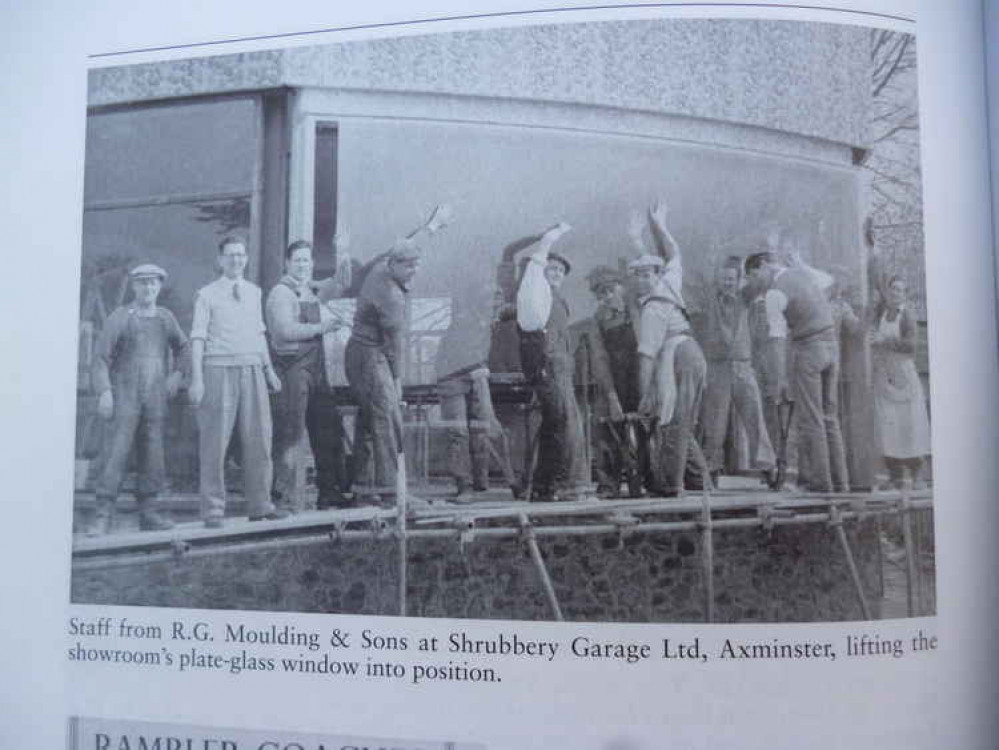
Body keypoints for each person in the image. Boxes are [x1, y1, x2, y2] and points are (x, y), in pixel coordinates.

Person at [346, 206, 452, 504]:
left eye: (416, 266)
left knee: (370, 420)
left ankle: (363, 489)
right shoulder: (390, 295)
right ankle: (392, 491)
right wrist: (397, 380)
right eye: (408, 267)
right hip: (370, 356)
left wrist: (431, 228)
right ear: (394, 265)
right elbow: (396, 345)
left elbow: (406, 242)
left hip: (362, 354)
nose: (413, 272)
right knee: (387, 417)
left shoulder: (383, 264)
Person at [189, 234, 284, 528]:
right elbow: (198, 338)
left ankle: (260, 504)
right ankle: (213, 509)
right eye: (230, 255)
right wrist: (197, 379)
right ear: (220, 260)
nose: (236, 260)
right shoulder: (206, 294)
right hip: (218, 370)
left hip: (252, 368)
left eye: (241, 255)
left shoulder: (254, 292)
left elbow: (259, 334)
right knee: (215, 442)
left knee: (260, 439)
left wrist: (269, 370)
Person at [88, 263, 188, 535]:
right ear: (134, 286)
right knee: (115, 453)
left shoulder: (166, 318)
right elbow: (99, 359)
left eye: (153, 283)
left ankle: (150, 512)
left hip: (155, 398)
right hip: (125, 396)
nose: (148, 288)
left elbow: (184, 348)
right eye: (143, 283)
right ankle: (102, 513)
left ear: (159, 286)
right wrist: (105, 391)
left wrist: (178, 374)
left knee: (153, 454)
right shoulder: (120, 317)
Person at [744, 247, 849, 493]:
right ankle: (841, 483)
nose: (753, 283)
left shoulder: (774, 294)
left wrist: (780, 380)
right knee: (829, 418)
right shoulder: (802, 275)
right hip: (832, 348)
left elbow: (777, 339)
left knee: (811, 419)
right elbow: (829, 280)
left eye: (752, 276)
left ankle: (820, 484)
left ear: (762, 266)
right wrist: (802, 264)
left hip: (809, 350)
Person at [266, 238, 351, 513]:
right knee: (290, 437)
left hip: (316, 373)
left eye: (306, 260)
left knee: (327, 431)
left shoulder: (310, 291)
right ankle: (281, 500)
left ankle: (329, 494)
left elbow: (342, 281)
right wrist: (321, 327)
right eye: (297, 260)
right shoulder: (281, 293)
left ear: (312, 264)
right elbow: (284, 332)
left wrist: (345, 249)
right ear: (288, 264)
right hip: (292, 371)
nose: (302, 265)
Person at [629, 201, 707, 496]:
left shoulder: (653, 309)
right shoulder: (669, 282)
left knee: (670, 420)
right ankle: (700, 481)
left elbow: (646, 356)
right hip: (691, 352)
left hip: (677, 356)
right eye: (637, 275)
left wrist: (643, 396)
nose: (641, 279)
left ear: (656, 275)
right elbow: (674, 253)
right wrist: (659, 225)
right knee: (682, 419)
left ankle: (669, 487)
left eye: (646, 274)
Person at [515, 222, 588, 502]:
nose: (556, 274)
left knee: (556, 424)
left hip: (562, 367)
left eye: (560, 271)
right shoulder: (537, 295)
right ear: (543, 272)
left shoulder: (558, 300)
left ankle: (543, 485)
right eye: (552, 269)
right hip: (549, 366)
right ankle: (559, 485)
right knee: (562, 424)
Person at [698, 256, 776, 485]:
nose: (727, 283)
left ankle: (768, 468)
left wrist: (763, 266)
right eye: (723, 278)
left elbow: (763, 283)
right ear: (717, 279)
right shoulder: (709, 299)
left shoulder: (745, 297)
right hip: (717, 367)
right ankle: (710, 470)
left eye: (731, 279)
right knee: (715, 422)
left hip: (743, 365)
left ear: (738, 279)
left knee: (754, 417)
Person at [576, 265, 643, 497]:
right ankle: (608, 484)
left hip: (643, 379)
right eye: (600, 294)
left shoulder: (640, 309)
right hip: (615, 381)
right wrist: (612, 396)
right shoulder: (598, 321)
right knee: (604, 426)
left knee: (650, 429)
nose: (606, 297)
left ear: (622, 288)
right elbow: (600, 360)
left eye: (610, 290)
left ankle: (649, 480)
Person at [869, 271, 930, 488]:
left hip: (903, 373)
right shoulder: (882, 313)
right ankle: (894, 475)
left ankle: (917, 475)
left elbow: (911, 346)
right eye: (892, 289)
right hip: (885, 373)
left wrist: (884, 340)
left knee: (909, 424)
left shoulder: (908, 316)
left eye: (899, 290)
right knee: (888, 425)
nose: (894, 293)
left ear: (905, 294)